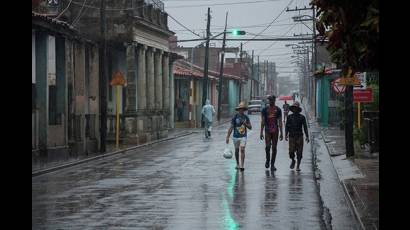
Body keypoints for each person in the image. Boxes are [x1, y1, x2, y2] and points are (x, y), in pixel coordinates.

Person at [226, 102, 252, 171]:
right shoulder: (235, 117)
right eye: (240, 109)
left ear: (244, 110)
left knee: (242, 149)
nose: (241, 110)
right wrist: (227, 137)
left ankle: (242, 165)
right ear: (238, 110)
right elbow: (231, 127)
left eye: (242, 109)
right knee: (237, 150)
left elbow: (250, 127)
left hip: (243, 136)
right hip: (235, 136)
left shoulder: (246, 117)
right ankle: (237, 164)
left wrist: (245, 123)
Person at [260, 95, 283, 171]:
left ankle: (272, 164)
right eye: (269, 100)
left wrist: (281, 133)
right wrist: (261, 132)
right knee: (267, 147)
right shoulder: (264, 110)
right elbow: (263, 121)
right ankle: (267, 160)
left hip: (275, 131)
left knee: (274, 148)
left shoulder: (278, 110)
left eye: (272, 100)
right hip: (267, 130)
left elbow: (280, 121)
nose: (271, 101)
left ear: (274, 100)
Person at [285, 101, 309, 171]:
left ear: (298, 109)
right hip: (291, 136)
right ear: (292, 109)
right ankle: (293, 160)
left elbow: (305, 127)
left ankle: (298, 166)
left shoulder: (302, 117)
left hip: (299, 137)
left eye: (296, 108)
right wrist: (286, 134)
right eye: (294, 108)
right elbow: (287, 126)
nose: (295, 109)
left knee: (299, 152)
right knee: (291, 152)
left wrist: (307, 136)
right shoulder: (289, 117)